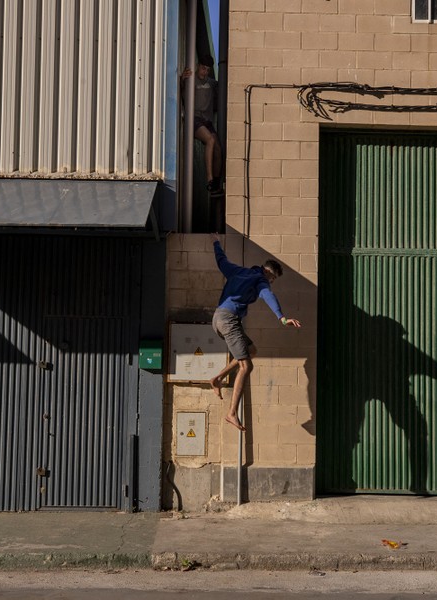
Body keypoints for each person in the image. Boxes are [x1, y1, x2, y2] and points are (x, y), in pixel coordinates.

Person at [209, 234, 301, 431]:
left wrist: (216, 243)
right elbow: (269, 296)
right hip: (229, 321)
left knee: (250, 351)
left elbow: (221, 260)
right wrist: (282, 318)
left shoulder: (238, 271)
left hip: (218, 318)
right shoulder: (261, 281)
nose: (272, 282)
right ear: (270, 274)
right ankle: (231, 413)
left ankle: (217, 379)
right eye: (274, 279)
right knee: (246, 367)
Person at [181, 55, 223, 192]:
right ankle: (209, 179)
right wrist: (182, 78)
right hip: (194, 119)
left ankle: (216, 183)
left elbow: (224, 85)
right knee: (210, 140)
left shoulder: (211, 83)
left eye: (207, 70)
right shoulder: (190, 79)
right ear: (198, 66)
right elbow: (180, 86)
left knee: (218, 149)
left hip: (207, 121)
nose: (204, 72)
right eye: (203, 68)